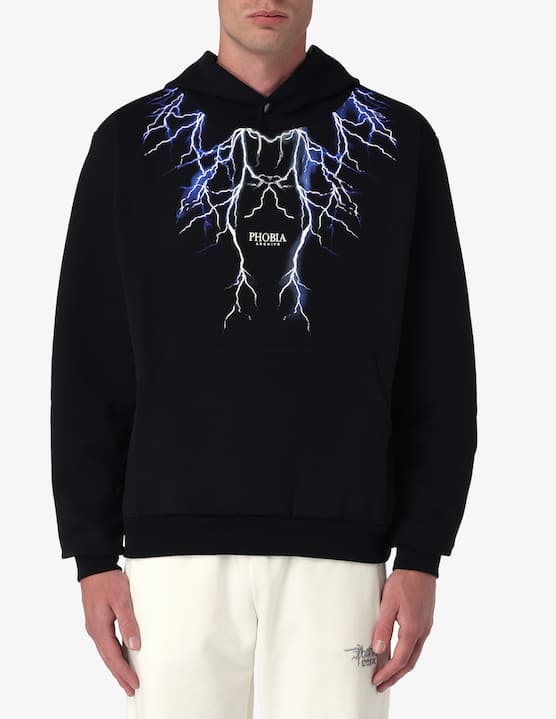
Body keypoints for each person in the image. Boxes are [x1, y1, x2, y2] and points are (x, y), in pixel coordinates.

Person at [50, 1, 478, 717]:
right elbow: (88, 363)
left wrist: (422, 552)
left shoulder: (397, 142)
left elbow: (439, 361)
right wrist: (92, 555)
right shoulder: (131, 142)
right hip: (171, 563)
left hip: (343, 561)